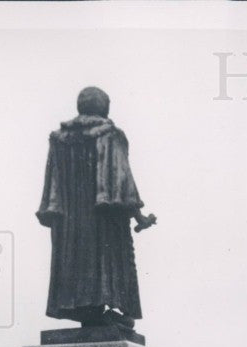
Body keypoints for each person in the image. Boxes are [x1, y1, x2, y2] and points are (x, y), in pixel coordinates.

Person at [37, 86, 157, 328]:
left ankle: (89, 313)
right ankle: (103, 311)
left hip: (68, 223)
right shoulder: (110, 135)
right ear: (104, 107)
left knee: (75, 264)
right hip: (102, 219)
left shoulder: (59, 140)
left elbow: (52, 184)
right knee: (105, 264)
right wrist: (139, 217)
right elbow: (122, 183)